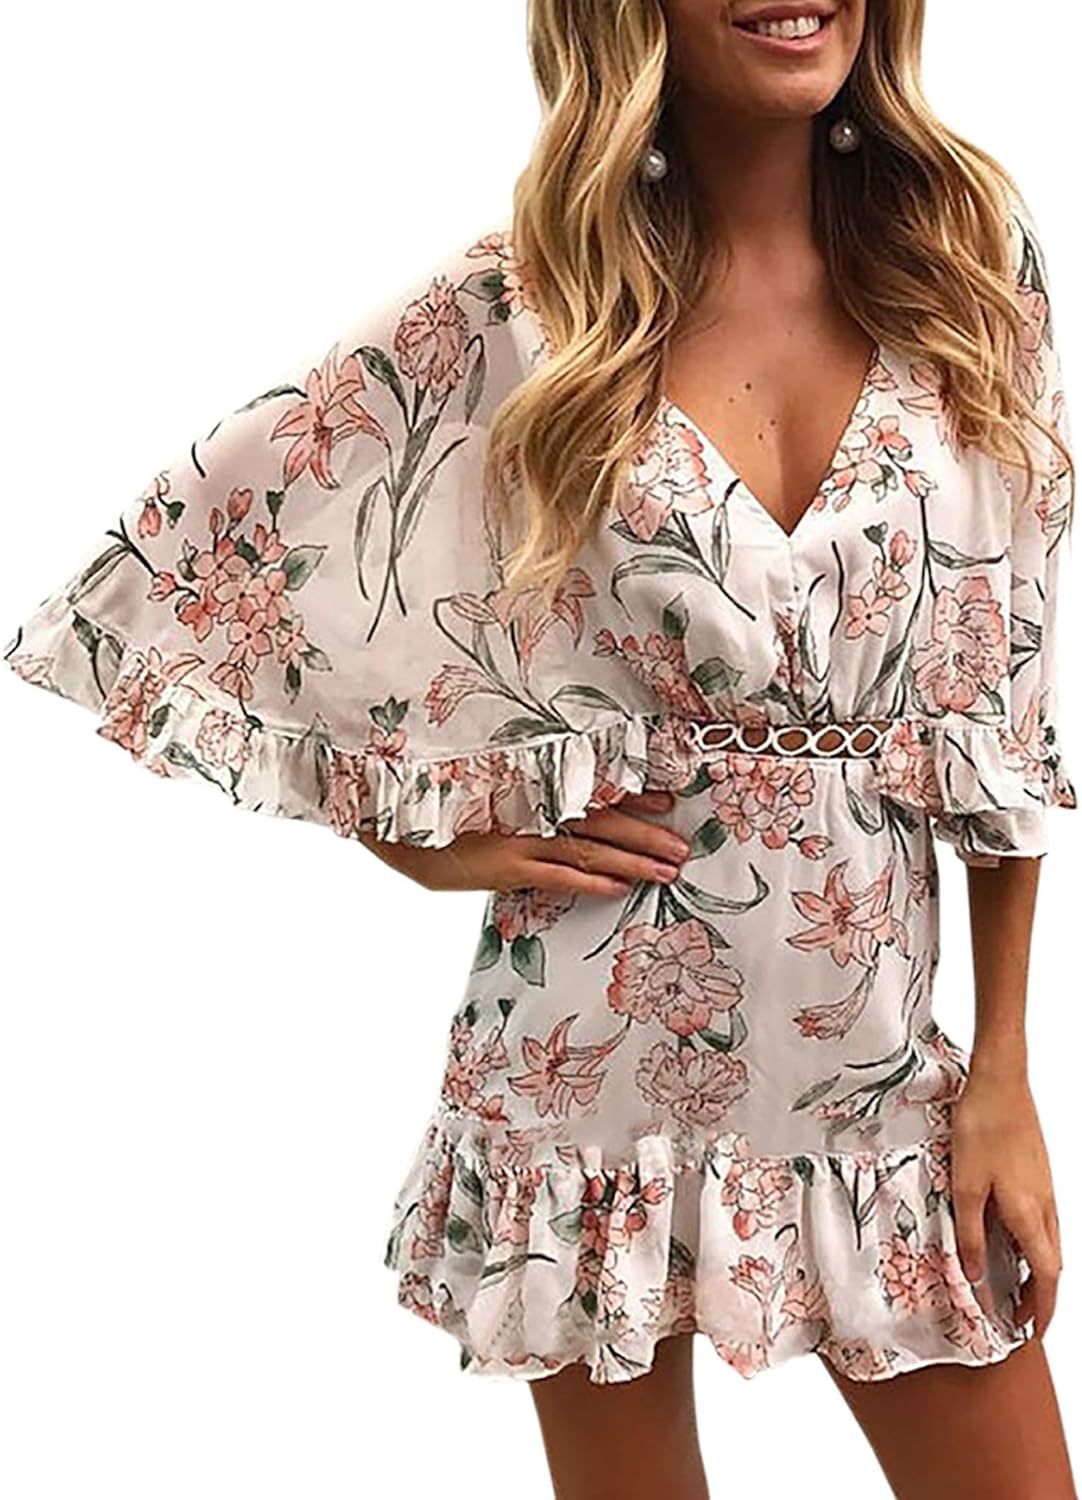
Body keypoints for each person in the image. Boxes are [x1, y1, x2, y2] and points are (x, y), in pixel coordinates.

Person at [3, 1, 1078, 1495]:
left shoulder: (962, 266)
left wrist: (1004, 1069)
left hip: (879, 1064)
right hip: (579, 1065)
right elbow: (221, 576)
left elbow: (1004, 709)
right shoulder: (524, 304)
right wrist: (411, 835)